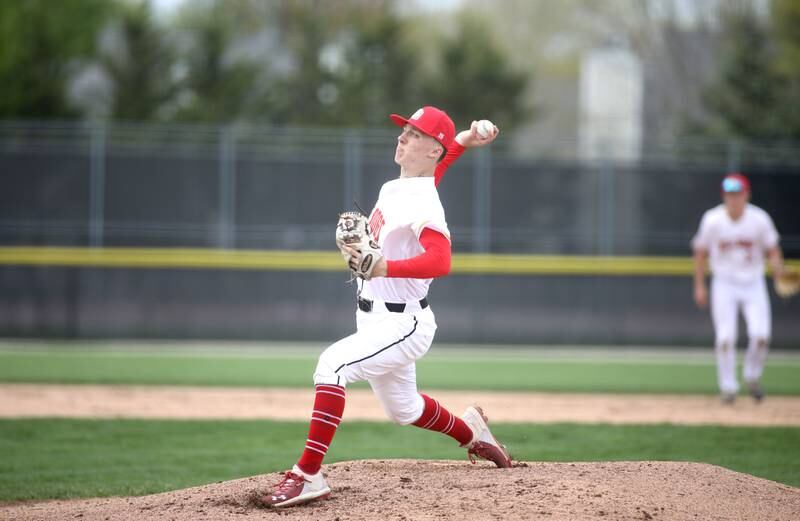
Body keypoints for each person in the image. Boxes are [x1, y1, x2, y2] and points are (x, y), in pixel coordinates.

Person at [259, 106, 511, 508]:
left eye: (414, 134)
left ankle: (307, 474)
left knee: (332, 366)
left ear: (432, 149)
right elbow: (435, 174)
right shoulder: (401, 186)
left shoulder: (426, 205)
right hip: (372, 316)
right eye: (405, 130)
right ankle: (474, 434)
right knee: (405, 409)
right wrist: (462, 140)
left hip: (404, 324)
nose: (402, 137)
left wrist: (385, 265)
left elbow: (441, 259)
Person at [691, 172, 785, 404]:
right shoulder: (712, 219)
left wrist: (778, 271)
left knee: (761, 335)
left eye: (738, 194)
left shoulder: (759, 219)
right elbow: (700, 252)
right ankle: (728, 388)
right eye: (729, 194)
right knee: (725, 337)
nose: (733, 199)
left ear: (747, 195)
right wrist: (699, 286)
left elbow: (773, 249)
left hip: (753, 283)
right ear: (724, 196)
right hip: (724, 284)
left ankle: (752, 377)